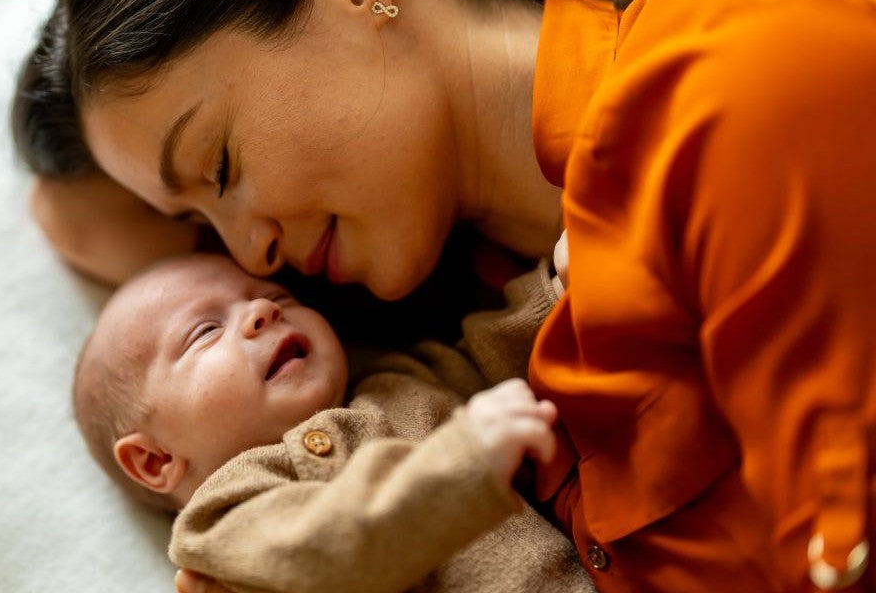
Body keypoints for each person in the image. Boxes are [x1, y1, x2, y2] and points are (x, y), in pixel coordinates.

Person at [14, 0, 876, 590]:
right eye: (201, 227)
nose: (251, 258)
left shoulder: (736, 92)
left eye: (223, 165)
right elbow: (69, 213)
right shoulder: (467, 355)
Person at [74, 253, 593, 592]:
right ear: (155, 458)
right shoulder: (224, 522)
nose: (261, 310)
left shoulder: (397, 382)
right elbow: (321, 551)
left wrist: (555, 291)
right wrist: (462, 464)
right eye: (206, 331)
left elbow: (488, 351)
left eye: (278, 297)